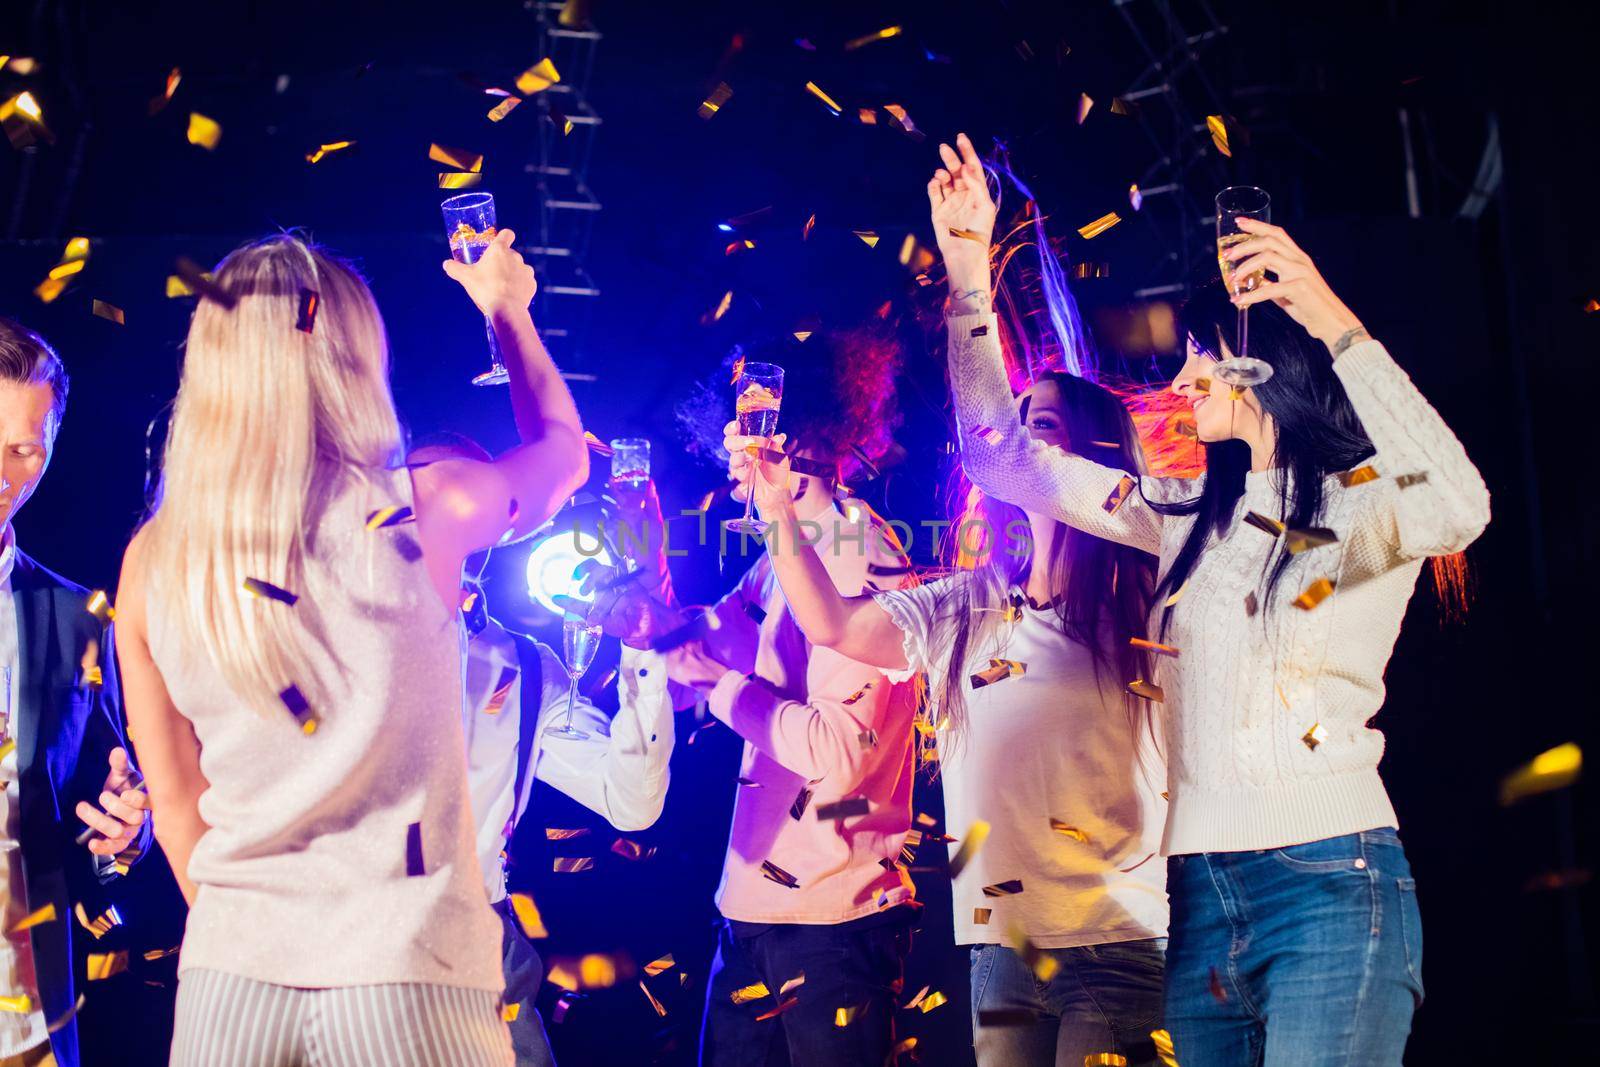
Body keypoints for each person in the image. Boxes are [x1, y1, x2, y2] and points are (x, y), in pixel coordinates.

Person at [929, 133, 1490, 1065]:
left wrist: (1319, 306)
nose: (1181, 377)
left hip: (1330, 883)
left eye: (1200, 356)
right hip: (1198, 906)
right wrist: (965, 280)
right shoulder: (1182, 515)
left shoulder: (1365, 508)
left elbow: (1463, 505)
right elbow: (999, 454)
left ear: (1265, 367)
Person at [113, 228, 588, 1065]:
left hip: (229, 987)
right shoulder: (430, 507)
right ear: (354, 361)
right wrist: (508, 314)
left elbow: (180, 806)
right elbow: (564, 455)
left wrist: (257, 936)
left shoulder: (154, 558)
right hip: (409, 978)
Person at [739, 367, 1171, 1066]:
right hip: (1004, 946)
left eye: (1045, 421)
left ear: (1097, 454)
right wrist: (777, 509)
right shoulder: (964, 604)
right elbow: (834, 626)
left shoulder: (1148, 599)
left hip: (1118, 936)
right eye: (1015, 418)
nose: (1019, 436)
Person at [597, 334, 921, 1067]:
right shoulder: (775, 565)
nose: (728, 450)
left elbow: (837, 753)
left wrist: (716, 684)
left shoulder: (860, 552)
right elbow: (691, 656)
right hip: (747, 917)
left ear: (795, 436)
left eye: (745, 431)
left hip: (836, 925)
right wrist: (643, 579)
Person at [0, 319, 151, 1067]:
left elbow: (96, 829)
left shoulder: (76, 617)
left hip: (24, 1020)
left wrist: (120, 835)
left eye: (24, 450)